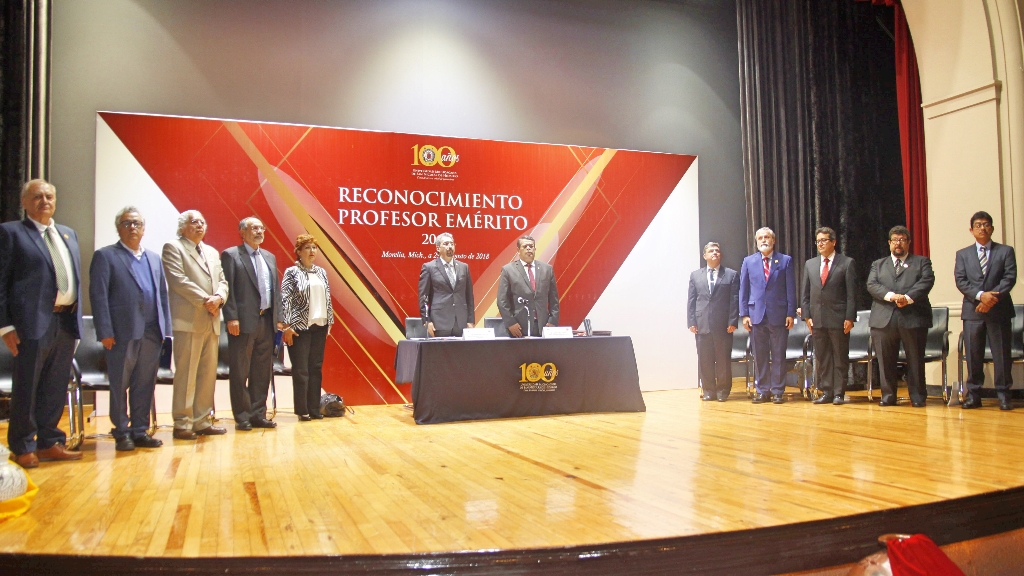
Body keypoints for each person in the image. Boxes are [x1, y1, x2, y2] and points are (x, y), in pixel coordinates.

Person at [0, 179, 84, 468]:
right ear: (24, 202)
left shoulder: (68, 234)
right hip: (31, 324)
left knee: (55, 386)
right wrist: (5, 326)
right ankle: (23, 446)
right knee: (27, 386)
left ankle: (49, 442)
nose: (44, 201)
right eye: (37, 196)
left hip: (66, 321)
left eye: (49, 196)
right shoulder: (11, 233)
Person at [89, 207, 172, 451]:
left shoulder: (154, 258)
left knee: (144, 383)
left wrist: (165, 329)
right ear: (118, 228)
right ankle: (121, 432)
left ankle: (139, 430)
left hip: (151, 332)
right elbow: (98, 295)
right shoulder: (105, 256)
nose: (132, 227)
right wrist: (105, 330)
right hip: (120, 333)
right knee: (119, 384)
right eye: (126, 223)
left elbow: (162, 295)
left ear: (143, 229)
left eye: (136, 223)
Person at [161, 210, 229, 439]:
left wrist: (219, 298)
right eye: (194, 222)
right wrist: (206, 301)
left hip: (212, 319)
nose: (200, 225)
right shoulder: (173, 247)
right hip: (189, 321)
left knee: (207, 375)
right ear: (182, 227)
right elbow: (178, 281)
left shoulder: (211, 252)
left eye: (202, 222)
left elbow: (222, 281)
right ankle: (182, 423)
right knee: (187, 375)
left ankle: (202, 421)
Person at [221, 217, 281, 430]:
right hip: (242, 322)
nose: (259, 231)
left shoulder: (269, 257)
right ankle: (243, 416)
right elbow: (227, 288)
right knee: (240, 371)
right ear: (242, 232)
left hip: (266, 320)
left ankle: (258, 414)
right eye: (254, 228)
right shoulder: (231, 255)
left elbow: (275, 290)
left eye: (261, 228)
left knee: (261, 371)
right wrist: (231, 317)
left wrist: (279, 318)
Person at [954, 211, 1017, 410]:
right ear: (971, 230)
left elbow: (1009, 278)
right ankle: (974, 395)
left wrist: (991, 299)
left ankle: (1004, 395)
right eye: (978, 225)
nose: (982, 228)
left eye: (986, 224)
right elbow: (961, 281)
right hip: (973, 311)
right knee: (973, 355)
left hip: (999, 310)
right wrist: (981, 296)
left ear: (992, 228)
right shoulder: (963, 254)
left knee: (1002, 355)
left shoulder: (1005, 251)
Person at [866, 225, 935, 407]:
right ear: (889, 243)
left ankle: (918, 397)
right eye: (895, 240)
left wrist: (907, 298)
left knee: (915, 359)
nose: (898, 243)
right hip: (883, 320)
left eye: (902, 240)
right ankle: (888, 396)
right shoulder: (878, 264)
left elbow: (926, 281)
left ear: (908, 243)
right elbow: (872, 285)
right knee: (885, 361)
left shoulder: (922, 262)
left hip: (913, 317)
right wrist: (892, 296)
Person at [739, 227, 797, 404]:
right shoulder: (748, 261)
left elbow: (790, 289)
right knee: (760, 355)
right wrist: (744, 314)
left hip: (779, 315)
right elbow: (743, 290)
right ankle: (763, 390)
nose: (763, 240)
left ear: (773, 240)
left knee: (779, 354)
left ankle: (778, 390)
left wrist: (791, 313)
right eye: (760, 238)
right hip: (756, 315)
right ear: (756, 241)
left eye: (767, 237)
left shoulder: (785, 260)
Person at [801, 227, 858, 405]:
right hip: (817, 319)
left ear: (833, 242)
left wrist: (850, 317)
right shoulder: (810, 264)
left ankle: (839, 393)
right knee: (823, 357)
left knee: (840, 357)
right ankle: (826, 391)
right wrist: (807, 316)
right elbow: (805, 294)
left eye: (824, 240)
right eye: (818, 241)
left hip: (839, 319)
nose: (820, 244)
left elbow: (852, 295)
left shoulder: (846, 263)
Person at [280, 234, 334, 421]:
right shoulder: (292, 272)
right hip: (299, 327)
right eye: (307, 248)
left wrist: (329, 322)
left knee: (315, 368)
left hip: (320, 326)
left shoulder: (321, 272)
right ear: (298, 251)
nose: (312, 251)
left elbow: (327, 298)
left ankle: (314, 408)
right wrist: (287, 325)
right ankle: (302, 410)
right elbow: (286, 300)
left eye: (314, 248)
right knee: (301, 370)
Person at [687, 242, 739, 402]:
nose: (715, 252)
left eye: (717, 250)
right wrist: (691, 321)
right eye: (711, 251)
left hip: (724, 325)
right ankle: (709, 390)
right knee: (705, 360)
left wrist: (733, 321)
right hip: (702, 324)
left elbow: (734, 300)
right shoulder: (695, 275)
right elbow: (692, 300)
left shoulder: (731, 274)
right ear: (705, 256)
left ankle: (723, 391)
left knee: (723, 360)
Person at [497, 235, 560, 337]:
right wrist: (510, 323)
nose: (528, 249)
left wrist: (553, 320)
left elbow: (554, 299)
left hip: (543, 326)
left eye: (531, 246)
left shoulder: (547, 269)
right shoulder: (508, 270)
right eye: (525, 246)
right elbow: (502, 301)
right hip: (518, 327)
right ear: (518, 250)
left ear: (535, 249)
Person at [417, 232, 474, 337]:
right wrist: (427, 320)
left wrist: (470, 320)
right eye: (446, 244)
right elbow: (423, 297)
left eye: (452, 244)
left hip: (461, 322)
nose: (450, 246)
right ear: (438, 248)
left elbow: (469, 296)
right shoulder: (429, 267)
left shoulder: (464, 267)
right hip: (439, 322)